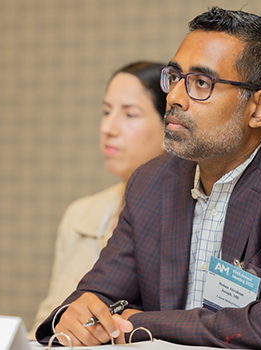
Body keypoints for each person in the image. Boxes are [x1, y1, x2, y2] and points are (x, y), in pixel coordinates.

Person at [35, 6, 261, 349]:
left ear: (260, 107)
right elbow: (97, 297)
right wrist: (74, 315)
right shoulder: (152, 182)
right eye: (174, 77)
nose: (174, 97)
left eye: (201, 83)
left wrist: (137, 323)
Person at [28, 61, 167, 338]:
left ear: (170, 126)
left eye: (130, 114)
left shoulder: (185, 219)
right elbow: (47, 316)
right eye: (106, 112)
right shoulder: (80, 215)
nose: (109, 127)